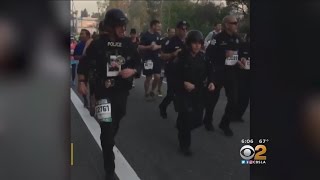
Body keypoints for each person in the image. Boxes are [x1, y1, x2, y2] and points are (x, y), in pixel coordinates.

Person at [77, 9, 141, 180]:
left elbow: (138, 63)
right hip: (103, 92)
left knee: (117, 117)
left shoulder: (128, 44)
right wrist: (82, 82)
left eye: (124, 25)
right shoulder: (98, 44)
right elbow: (83, 63)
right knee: (106, 130)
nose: (123, 29)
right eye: (120, 25)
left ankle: (109, 137)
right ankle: (109, 167)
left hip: (121, 91)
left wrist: (133, 70)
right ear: (110, 27)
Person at [175, 30, 215, 156]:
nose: (197, 45)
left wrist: (212, 82)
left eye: (199, 43)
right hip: (184, 93)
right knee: (186, 118)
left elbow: (210, 71)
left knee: (197, 120)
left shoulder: (203, 57)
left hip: (199, 92)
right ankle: (184, 145)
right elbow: (172, 75)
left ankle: (181, 124)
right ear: (189, 43)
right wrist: (183, 83)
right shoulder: (181, 57)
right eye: (194, 43)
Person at [203, 15, 242, 136]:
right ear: (226, 25)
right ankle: (207, 120)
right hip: (217, 72)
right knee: (212, 99)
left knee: (234, 100)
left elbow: (238, 54)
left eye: (237, 22)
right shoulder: (218, 38)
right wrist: (223, 54)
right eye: (234, 22)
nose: (236, 24)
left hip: (231, 73)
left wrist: (241, 60)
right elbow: (208, 54)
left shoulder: (237, 38)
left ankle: (225, 123)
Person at [159, 21, 188, 118]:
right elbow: (162, 56)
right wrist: (173, 54)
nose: (184, 31)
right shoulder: (171, 41)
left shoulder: (188, 41)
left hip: (184, 71)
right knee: (171, 94)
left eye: (185, 29)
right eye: (182, 29)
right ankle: (163, 106)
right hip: (172, 71)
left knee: (183, 94)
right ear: (177, 30)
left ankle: (181, 118)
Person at [138, 20, 162, 101]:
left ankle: (152, 90)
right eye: (158, 26)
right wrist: (149, 47)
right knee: (148, 78)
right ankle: (146, 92)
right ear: (153, 26)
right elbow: (140, 47)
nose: (159, 27)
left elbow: (161, 45)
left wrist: (157, 47)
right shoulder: (145, 35)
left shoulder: (158, 34)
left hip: (157, 58)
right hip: (148, 59)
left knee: (157, 77)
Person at [73, 29, 91, 108]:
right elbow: (75, 56)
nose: (80, 35)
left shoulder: (93, 43)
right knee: (83, 84)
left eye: (82, 34)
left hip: (92, 67)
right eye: (80, 34)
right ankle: (86, 100)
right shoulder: (79, 45)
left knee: (93, 85)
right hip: (82, 67)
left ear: (88, 35)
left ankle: (92, 100)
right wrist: (82, 56)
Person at [157, 27, 176, 97]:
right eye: (171, 32)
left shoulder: (176, 41)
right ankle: (159, 89)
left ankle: (170, 91)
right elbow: (161, 51)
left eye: (174, 32)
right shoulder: (164, 40)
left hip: (173, 62)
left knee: (171, 77)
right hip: (163, 61)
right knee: (161, 76)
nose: (173, 33)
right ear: (168, 32)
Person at [238, 33, 250, 120]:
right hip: (242, 74)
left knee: (246, 98)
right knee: (241, 96)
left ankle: (238, 115)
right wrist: (240, 60)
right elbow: (231, 58)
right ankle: (235, 114)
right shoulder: (242, 45)